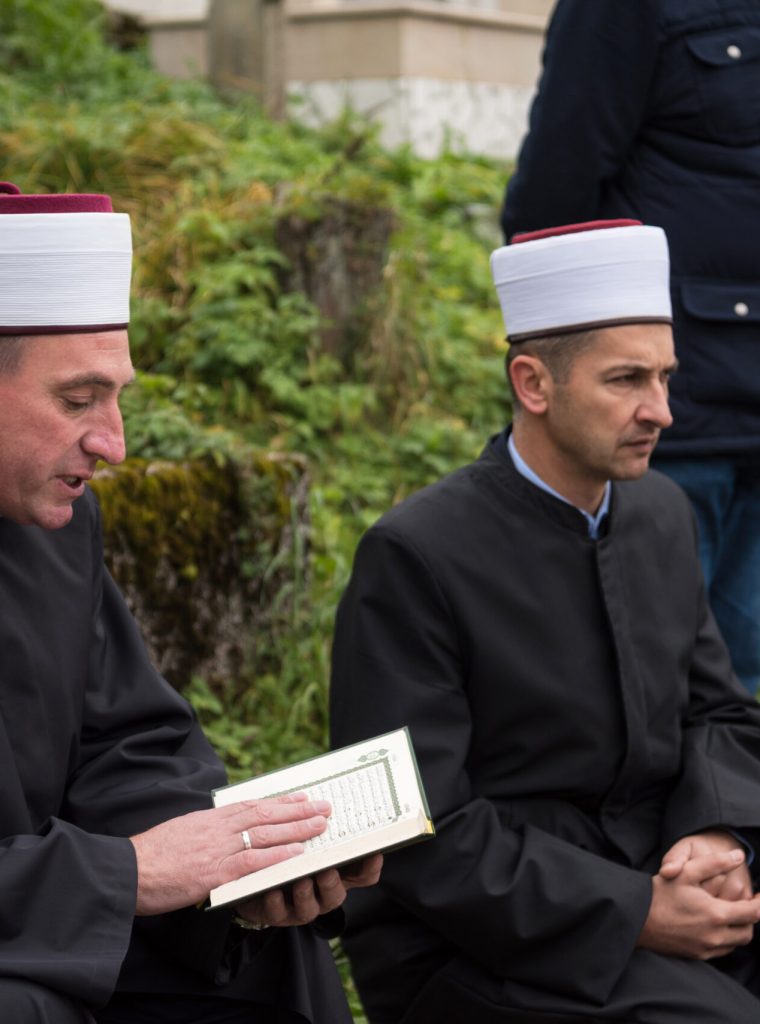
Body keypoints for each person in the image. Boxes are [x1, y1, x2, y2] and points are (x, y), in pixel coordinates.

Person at [330, 220, 760, 1024]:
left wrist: (719, 835)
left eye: (666, 377)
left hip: (653, 875)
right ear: (534, 383)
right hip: (478, 943)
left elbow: (718, 712)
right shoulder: (417, 553)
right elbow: (416, 829)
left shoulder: (660, 513)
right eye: (626, 380)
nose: (661, 411)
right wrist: (632, 912)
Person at [0, 181, 381, 1023]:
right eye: (77, 400)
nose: (114, 444)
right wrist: (129, 875)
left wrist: (236, 866)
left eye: (118, 396)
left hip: (50, 908)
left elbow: (124, 742)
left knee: (272, 957)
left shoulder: (59, 524)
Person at [499, 0, 760, 696]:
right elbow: (559, 186)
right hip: (674, 405)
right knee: (642, 679)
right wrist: (579, 362)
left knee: (739, 690)